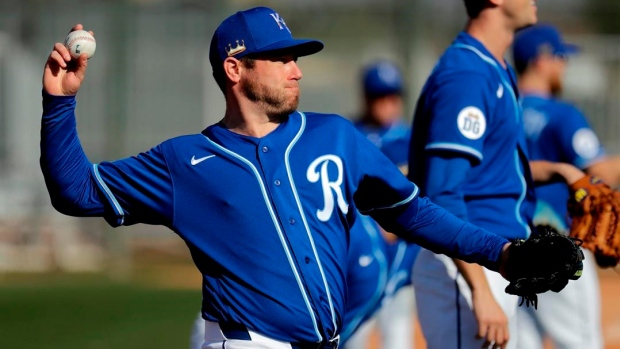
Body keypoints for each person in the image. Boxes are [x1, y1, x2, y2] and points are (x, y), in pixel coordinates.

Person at [43, 7, 525, 349]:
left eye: (295, 58)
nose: (296, 70)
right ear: (235, 69)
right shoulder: (184, 161)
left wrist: (501, 253)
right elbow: (77, 190)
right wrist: (60, 104)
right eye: (280, 59)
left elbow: (414, 213)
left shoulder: (335, 135)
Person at [407, 1, 586, 349]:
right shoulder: (467, 75)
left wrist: (563, 171)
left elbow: (492, 173)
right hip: (465, 265)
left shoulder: (492, 67)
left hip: (491, 260)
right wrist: (480, 290)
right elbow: (442, 195)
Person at [512, 23, 610, 349]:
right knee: (582, 343)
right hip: (557, 248)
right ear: (541, 60)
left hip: (509, 249)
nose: (563, 66)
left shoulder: (503, 113)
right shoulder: (561, 115)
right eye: (559, 57)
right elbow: (597, 173)